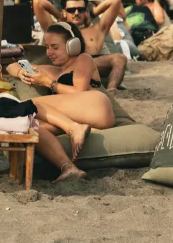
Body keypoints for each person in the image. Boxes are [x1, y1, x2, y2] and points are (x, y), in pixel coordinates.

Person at [7, 23, 115, 182]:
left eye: (55, 47)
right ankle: (68, 168)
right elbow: (11, 65)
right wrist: (21, 72)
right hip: (82, 117)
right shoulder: (54, 71)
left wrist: (49, 84)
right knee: (33, 127)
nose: (49, 52)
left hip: (96, 106)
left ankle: (74, 129)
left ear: (73, 46)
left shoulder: (83, 59)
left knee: (28, 105)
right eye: (47, 47)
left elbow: (79, 92)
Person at [33, 0, 128, 91]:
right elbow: (37, 2)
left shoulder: (97, 29)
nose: (76, 13)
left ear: (86, 11)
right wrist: (59, 16)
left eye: (81, 10)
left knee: (120, 58)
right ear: (64, 11)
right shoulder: (56, 30)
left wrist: (92, 15)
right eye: (71, 10)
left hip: (94, 63)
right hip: (68, 66)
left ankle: (112, 89)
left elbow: (116, 0)